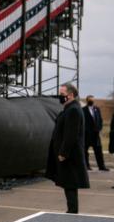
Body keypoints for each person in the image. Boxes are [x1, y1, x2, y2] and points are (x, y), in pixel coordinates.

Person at [46, 84, 89, 213]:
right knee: (68, 183)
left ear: (70, 95)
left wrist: (63, 153)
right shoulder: (69, 108)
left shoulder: (73, 110)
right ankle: (71, 209)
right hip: (67, 154)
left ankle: (72, 210)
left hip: (70, 156)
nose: (60, 96)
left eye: (62, 93)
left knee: (70, 183)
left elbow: (71, 134)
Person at [82, 95, 107, 171]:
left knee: (98, 151)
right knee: (85, 151)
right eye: (90, 100)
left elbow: (100, 119)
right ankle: (86, 166)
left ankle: (101, 166)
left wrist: (99, 128)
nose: (91, 101)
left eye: (92, 99)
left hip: (96, 134)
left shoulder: (97, 109)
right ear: (87, 101)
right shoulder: (83, 110)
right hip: (87, 134)